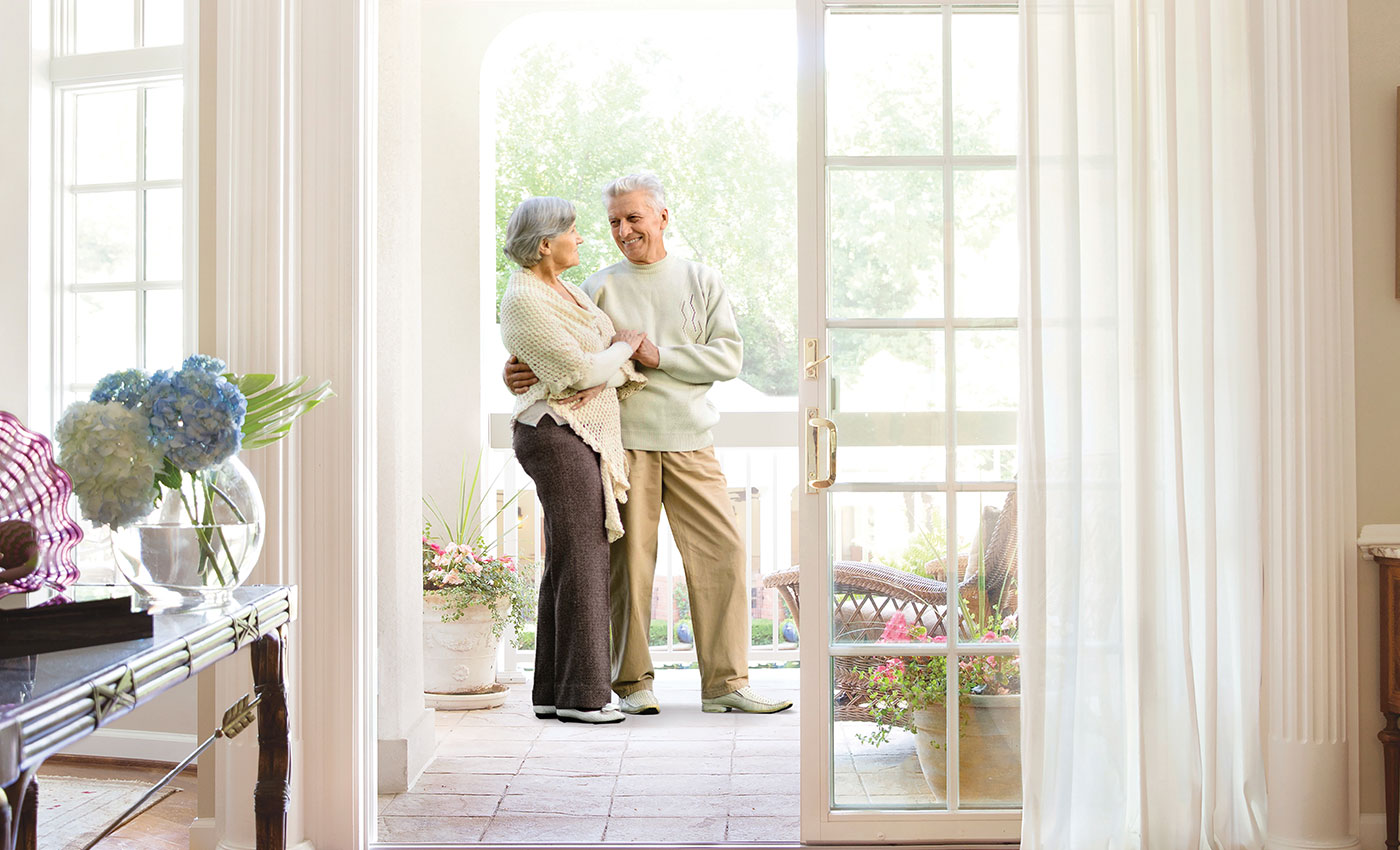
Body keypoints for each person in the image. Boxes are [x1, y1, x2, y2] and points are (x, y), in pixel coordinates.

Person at [506, 174, 792, 716]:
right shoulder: (593, 287)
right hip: (622, 444)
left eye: (634, 218)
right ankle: (633, 683)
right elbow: (556, 348)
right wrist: (514, 370)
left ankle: (726, 683)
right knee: (627, 566)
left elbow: (727, 359)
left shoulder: (702, 280)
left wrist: (659, 356)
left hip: (691, 440)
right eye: (613, 221)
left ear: (662, 216)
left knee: (724, 555)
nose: (623, 230)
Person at [499, 196, 648, 724]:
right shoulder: (524, 299)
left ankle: (552, 691)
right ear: (545, 243)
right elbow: (584, 369)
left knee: (566, 560)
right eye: (573, 231)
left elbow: (593, 364)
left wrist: (606, 363)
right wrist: (622, 352)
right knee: (585, 557)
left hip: (573, 431)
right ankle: (585, 697)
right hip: (553, 433)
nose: (582, 239)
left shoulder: (561, 290)